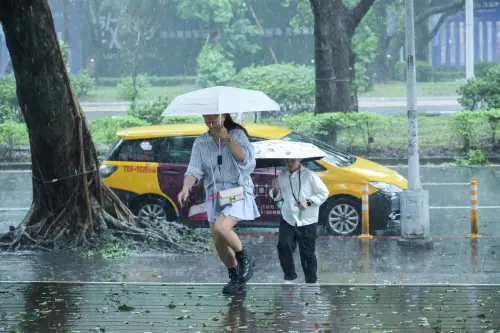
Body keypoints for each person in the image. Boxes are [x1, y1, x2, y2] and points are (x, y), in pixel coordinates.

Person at [178, 113, 260, 294]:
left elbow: (247, 161)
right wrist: (186, 188)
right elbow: (193, 170)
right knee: (218, 240)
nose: (210, 121)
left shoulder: (237, 135)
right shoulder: (200, 142)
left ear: (223, 116)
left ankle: (245, 259)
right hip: (216, 195)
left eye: (214, 117)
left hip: (238, 190)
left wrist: (227, 138)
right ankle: (236, 278)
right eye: (207, 118)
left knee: (222, 227)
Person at [269, 158, 329, 284]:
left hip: (307, 220)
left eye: (293, 160)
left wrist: (308, 202)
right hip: (288, 218)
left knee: (307, 252)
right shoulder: (282, 176)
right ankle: (289, 277)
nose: (289, 163)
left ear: (300, 160)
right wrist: (275, 189)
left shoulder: (310, 175)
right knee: (283, 246)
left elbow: (324, 193)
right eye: (287, 160)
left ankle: (311, 280)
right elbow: (277, 197)